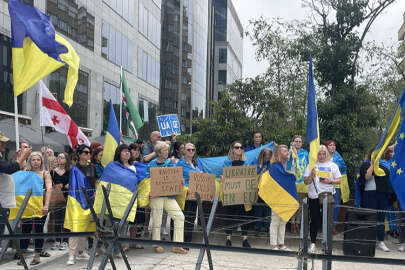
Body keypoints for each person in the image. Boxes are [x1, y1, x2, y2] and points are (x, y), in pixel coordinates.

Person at [146, 141, 187, 254]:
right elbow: (147, 179)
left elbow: (176, 177)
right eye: (165, 150)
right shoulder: (151, 164)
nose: (167, 152)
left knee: (180, 217)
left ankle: (177, 245)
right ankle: (156, 244)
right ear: (158, 152)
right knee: (157, 220)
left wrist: (181, 181)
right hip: (156, 196)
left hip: (169, 196)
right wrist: (150, 191)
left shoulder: (171, 163)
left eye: (167, 150)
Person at [304, 145, 341, 254]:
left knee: (327, 221)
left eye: (323, 153)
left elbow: (339, 180)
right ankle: (313, 244)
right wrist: (311, 174)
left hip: (327, 196)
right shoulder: (311, 165)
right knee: (314, 220)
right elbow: (306, 182)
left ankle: (327, 245)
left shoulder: (333, 165)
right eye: (319, 154)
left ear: (327, 154)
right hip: (314, 195)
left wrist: (329, 181)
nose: (321, 156)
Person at [19, 152, 52, 266]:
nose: (36, 162)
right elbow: (21, 190)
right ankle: (23, 254)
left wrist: (46, 205)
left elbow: (49, 189)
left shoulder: (45, 173)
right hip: (27, 206)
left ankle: (37, 255)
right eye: (33, 160)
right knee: (25, 230)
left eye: (38, 160)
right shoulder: (25, 173)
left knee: (38, 230)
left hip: (41, 206)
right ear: (29, 161)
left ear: (41, 161)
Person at [357, 147, 393, 252]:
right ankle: (369, 240)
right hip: (370, 195)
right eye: (375, 154)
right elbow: (367, 177)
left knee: (381, 219)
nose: (377, 156)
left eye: (378, 154)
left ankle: (381, 241)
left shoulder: (384, 165)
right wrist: (373, 164)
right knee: (370, 218)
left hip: (382, 195)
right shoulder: (366, 164)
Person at [67, 145, 97, 265]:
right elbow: (73, 186)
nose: (88, 154)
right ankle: (71, 255)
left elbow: (94, 181)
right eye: (85, 152)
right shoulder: (74, 169)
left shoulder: (92, 167)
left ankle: (82, 251)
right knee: (75, 228)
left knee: (86, 227)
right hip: (77, 200)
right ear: (79, 154)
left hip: (90, 199)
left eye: (89, 152)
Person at [0, 132, 31, 236]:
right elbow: (9, 169)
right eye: (1, 142)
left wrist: (16, 160)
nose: (4, 144)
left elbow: (7, 168)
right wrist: (23, 156)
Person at [222, 141, 252, 248]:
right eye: (237, 147)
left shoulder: (246, 162)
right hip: (231, 193)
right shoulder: (227, 162)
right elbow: (224, 175)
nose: (239, 149)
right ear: (232, 149)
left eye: (241, 147)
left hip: (243, 194)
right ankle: (228, 239)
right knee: (230, 215)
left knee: (244, 216)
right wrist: (223, 178)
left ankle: (245, 239)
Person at [268, 145, 295, 250]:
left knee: (284, 221)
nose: (287, 152)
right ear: (279, 154)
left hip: (287, 196)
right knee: (275, 221)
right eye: (284, 151)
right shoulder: (274, 166)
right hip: (276, 197)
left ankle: (281, 243)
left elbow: (293, 179)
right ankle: (273, 244)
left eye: (287, 151)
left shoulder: (289, 165)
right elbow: (272, 182)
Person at [174, 143, 201, 245]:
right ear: (184, 151)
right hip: (184, 195)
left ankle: (188, 241)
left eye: (193, 150)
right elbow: (175, 178)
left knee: (191, 217)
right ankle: (181, 241)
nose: (191, 151)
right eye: (188, 149)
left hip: (194, 195)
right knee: (184, 217)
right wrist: (185, 188)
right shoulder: (180, 163)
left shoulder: (195, 164)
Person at [324, 139, 347, 234]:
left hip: (336, 186)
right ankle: (324, 226)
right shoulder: (323, 157)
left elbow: (342, 173)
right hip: (324, 186)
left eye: (334, 145)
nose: (333, 147)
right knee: (325, 206)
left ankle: (332, 226)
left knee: (336, 206)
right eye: (330, 145)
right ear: (326, 147)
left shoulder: (339, 159)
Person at [50, 152, 70, 251]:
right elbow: (49, 184)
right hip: (57, 198)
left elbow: (73, 182)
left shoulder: (70, 171)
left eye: (62, 157)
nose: (59, 159)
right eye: (58, 157)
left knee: (65, 220)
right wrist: (56, 186)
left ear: (66, 160)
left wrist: (68, 185)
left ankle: (66, 241)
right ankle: (57, 240)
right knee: (57, 220)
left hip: (67, 198)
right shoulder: (53, 172)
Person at [290, 135, 309, 234]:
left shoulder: (306, 153)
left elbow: (309, 166)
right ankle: (292, 223)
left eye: (299, 141)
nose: (298, 143)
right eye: (296, 141)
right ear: (293, 142)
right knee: (293, 204)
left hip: (303, 182)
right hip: (292, 182)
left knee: (301, 205)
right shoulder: (290, 153)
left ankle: (298, 223)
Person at [254, 148, 272, 233]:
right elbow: (253, 174)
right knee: (258, 209)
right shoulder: (257, 163)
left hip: (268, 190)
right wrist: (261, 173)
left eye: (269, 155)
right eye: (266, 155)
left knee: (267, 209)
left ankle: (267, 227)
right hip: (258, 190)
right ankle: (258, 227)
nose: (268, 157)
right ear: (262, 155)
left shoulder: (271, 164)